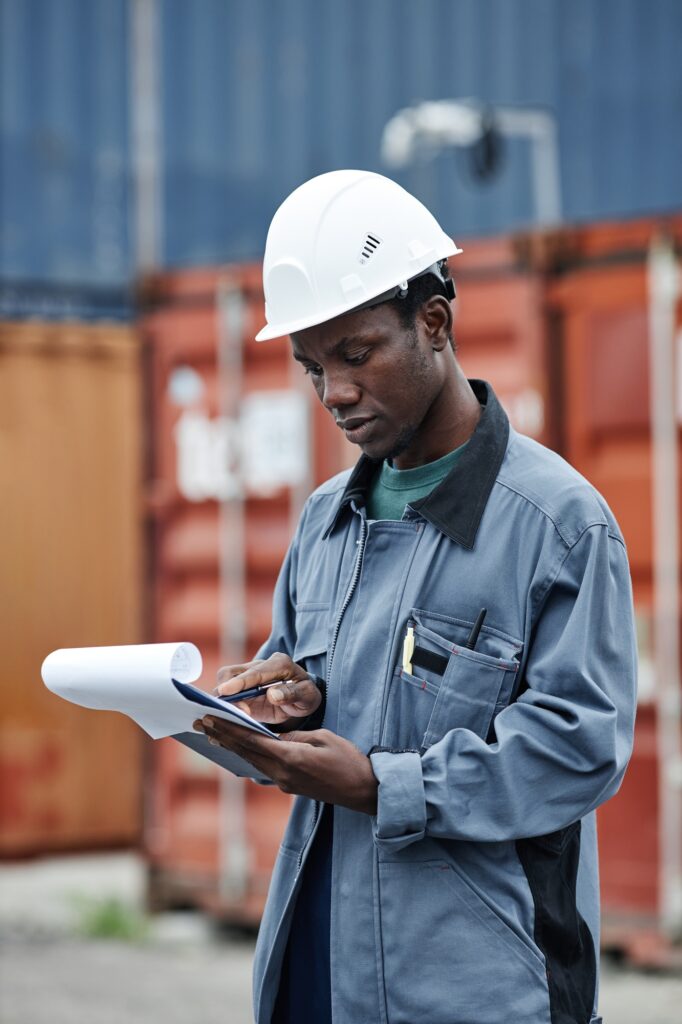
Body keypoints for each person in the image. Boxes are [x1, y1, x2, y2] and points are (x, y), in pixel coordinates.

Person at [193, 170, 637, 1024]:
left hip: (478, 986)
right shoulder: (326, 521)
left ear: (434, 322)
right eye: (312, 366)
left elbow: (580, 748)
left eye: (356, 354)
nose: (335, 394)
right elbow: (340, 696)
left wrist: (381, 785)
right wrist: (286, 702)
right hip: (315, 967)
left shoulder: (558, 524)